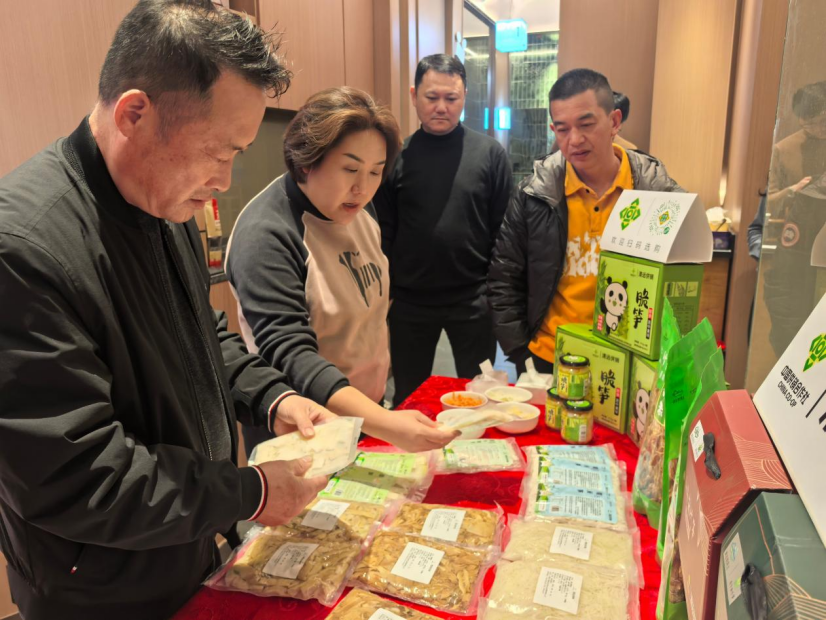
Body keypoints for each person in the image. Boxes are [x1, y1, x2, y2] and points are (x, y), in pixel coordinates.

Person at [0, 2, 335, 618]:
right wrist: (250, 493)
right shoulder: (22, 250)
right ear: (135, 114)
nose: (225, 180)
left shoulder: (163, 202)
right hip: (99, 589)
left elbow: (200, 334)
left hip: (184, 542)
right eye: (218, 151)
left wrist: (272, 397)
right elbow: (80, 476)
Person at [226, 87, 459, 456]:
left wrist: (376, 415)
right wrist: (385, 424)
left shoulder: (359, 210)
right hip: (304, 431)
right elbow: (291, 354)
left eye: (376, 171)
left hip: (367, 414)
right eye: (350, 169)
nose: (362, 188)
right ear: (307, 161)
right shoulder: (266, 234)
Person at [488, 68, 681, 373]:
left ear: (614, 121)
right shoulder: (534, 193)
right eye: (562, 129)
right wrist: (520, 352)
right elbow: (504, 276)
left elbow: (681, 277)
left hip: (629, 362)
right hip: (549, 357)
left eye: (586, 125)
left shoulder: (654, 191)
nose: (574, 140)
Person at [374, 54, 513, 407]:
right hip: (409, 302)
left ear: (465, 96)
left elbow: (504, 232)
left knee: (480, 395)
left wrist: (495, 294)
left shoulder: (490, 154)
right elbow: (383, 232)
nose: (441, 107)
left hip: (473, 299)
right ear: (413, 95)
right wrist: (385, 293)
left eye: (451, 98)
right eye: (431, 97)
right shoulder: (395, 156)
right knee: (409, 396)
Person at [767, 81, 826, 221]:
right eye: (811, 124)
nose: (820, 129)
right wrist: (794, 190)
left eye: (824, 121)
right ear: (800, 120)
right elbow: (769, 205)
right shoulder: (783, 149)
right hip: (801, 226)